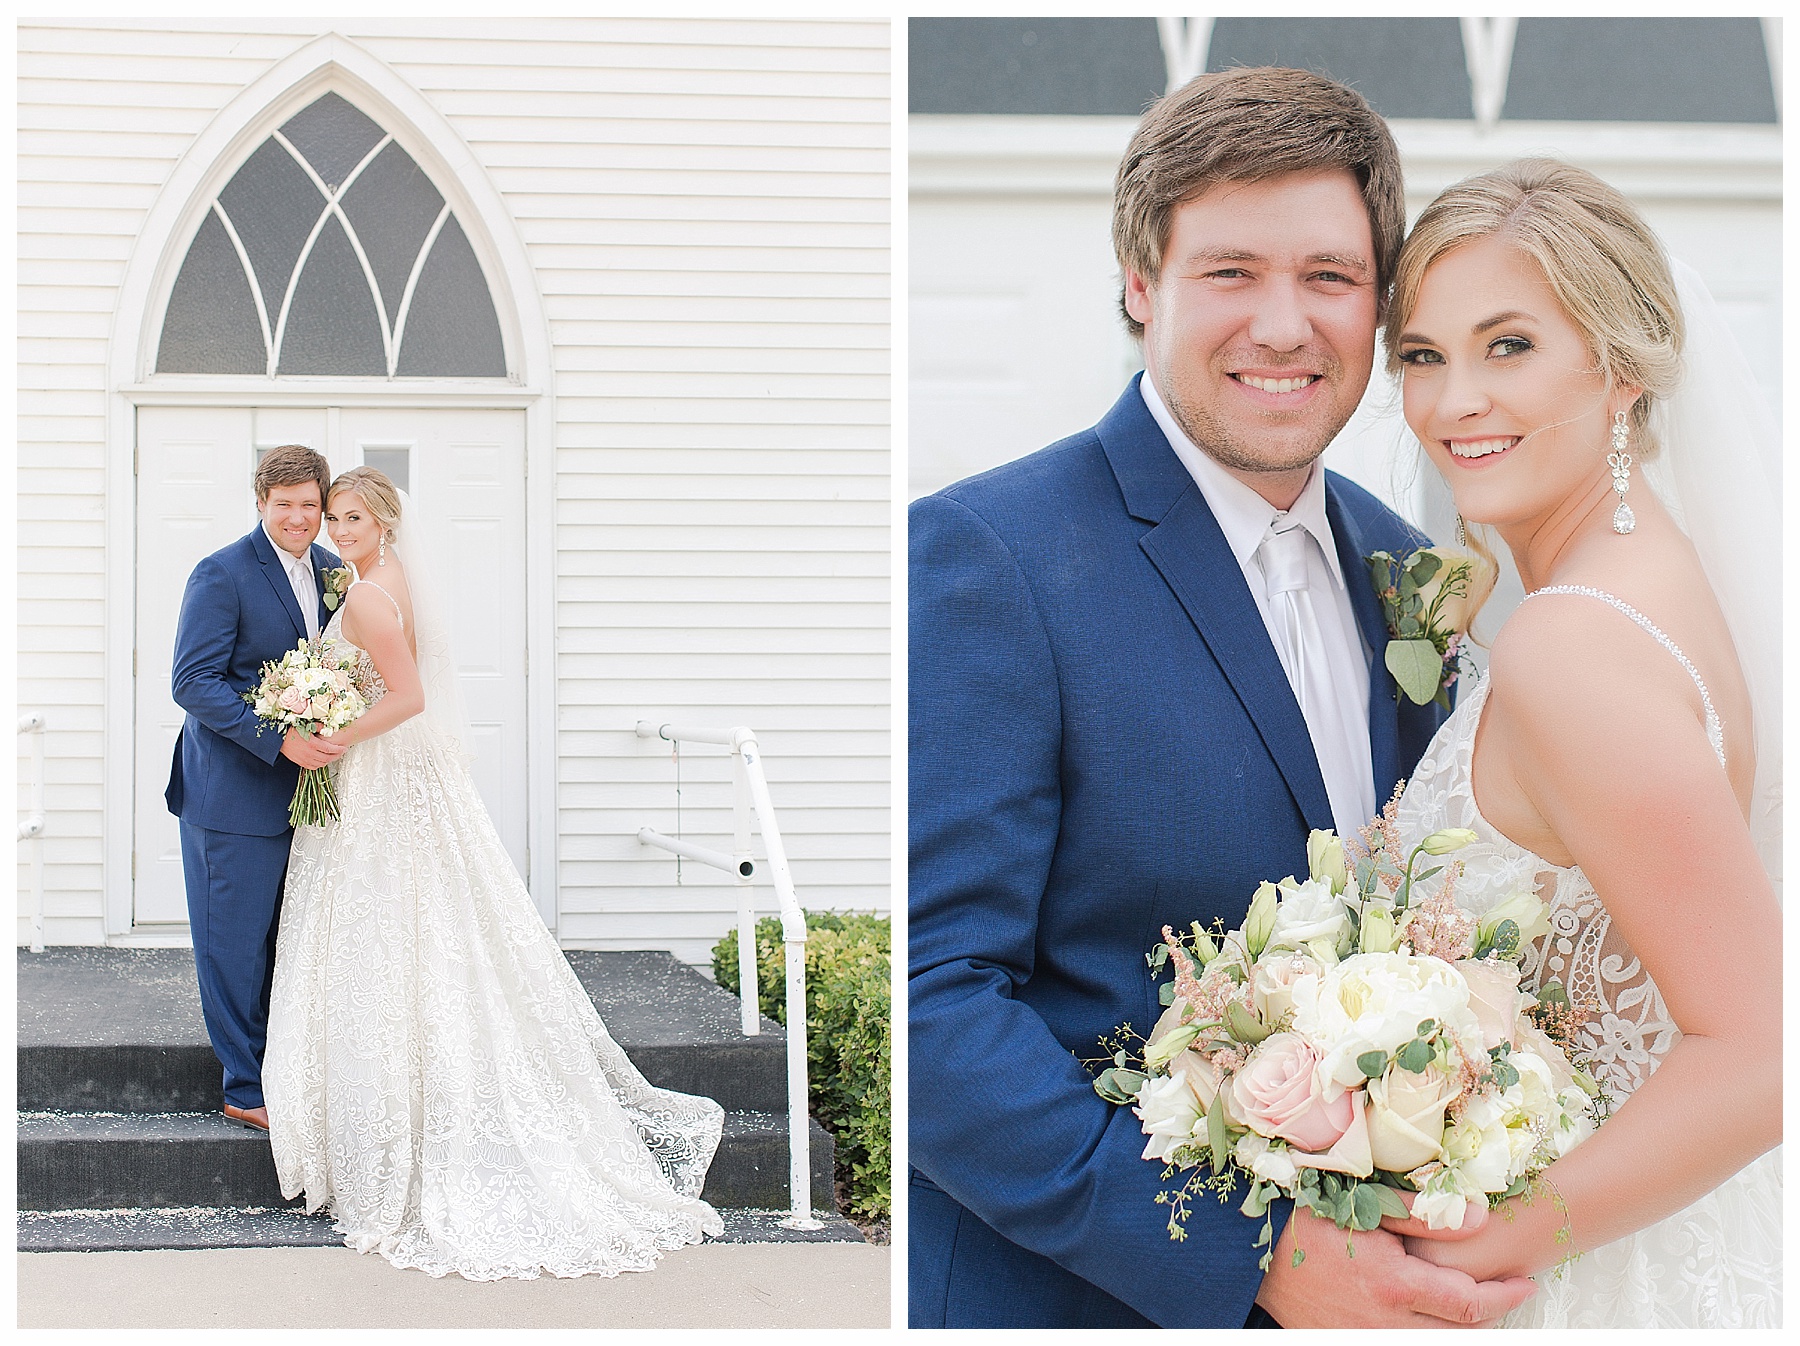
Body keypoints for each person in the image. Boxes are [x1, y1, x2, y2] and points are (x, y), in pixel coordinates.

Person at [909, 68, 1535, 1328]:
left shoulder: (1411, 567)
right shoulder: (989, 554)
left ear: (1378, 304)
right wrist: (1247, 1257)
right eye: (1230, 272)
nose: (1285, 325)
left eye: (1328, 276)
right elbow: (935, 996)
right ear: (1141, 285)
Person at [1385, 158, 1781, 1327]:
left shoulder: (1571, 648)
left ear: (1620, 367)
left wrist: (1467, 1247)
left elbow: (1764, 1049)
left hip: (1579, 1271)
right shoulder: (1658, 585)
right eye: (1423, 355)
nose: (1455, 399)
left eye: (1508, 346)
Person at [263, 467, 724, 1280]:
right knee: (428, 923)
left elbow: (404, 697)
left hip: (376, 773)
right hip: (401, 776)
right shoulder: (382, 579)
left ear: (387, 521)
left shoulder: (369, 597)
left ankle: (395, 1122)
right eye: (333, 517)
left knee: (386, 926)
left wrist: (330, 736)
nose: (339, 529)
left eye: (353, 517)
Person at [167, 443, 345, 1132]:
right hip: (232, 794)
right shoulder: (221, 573)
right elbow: (193, 682)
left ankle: (286, 1068)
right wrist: (280, 739)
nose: (297, 518)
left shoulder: (335, 572)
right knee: (234, 944)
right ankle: (244, 1085)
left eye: (309, 505)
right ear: (260, 502)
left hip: (307, 794)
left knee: (290, 940)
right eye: (284, 505)